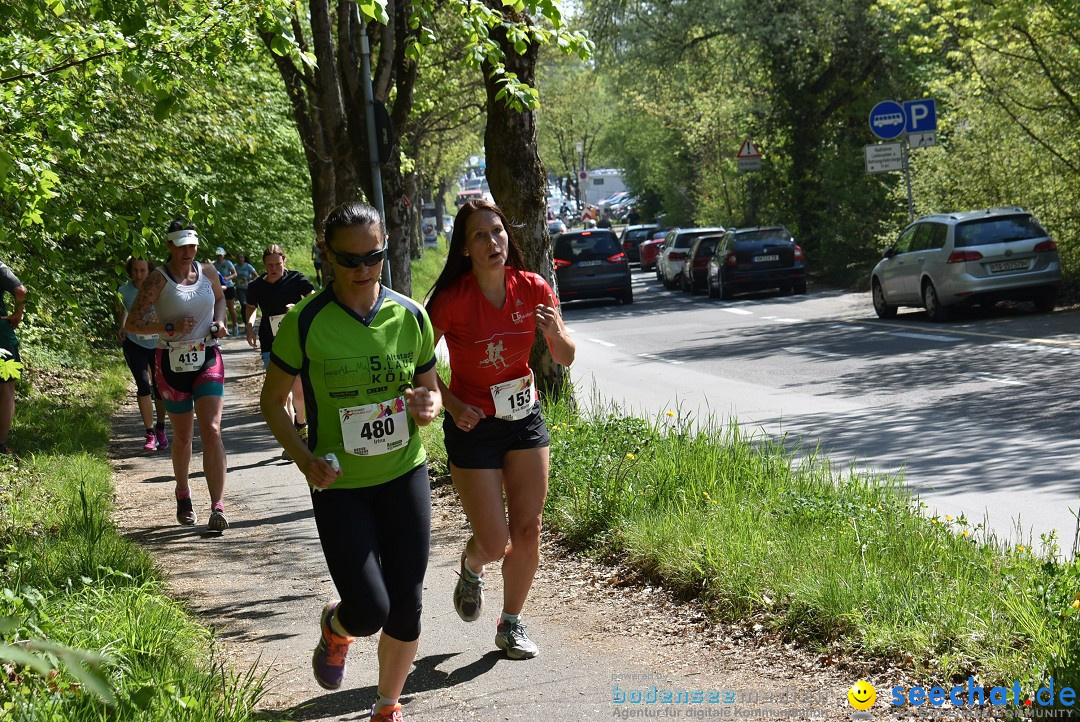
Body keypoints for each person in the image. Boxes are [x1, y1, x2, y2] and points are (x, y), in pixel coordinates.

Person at [260, 201, 440, 722]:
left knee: (407, 603)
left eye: (375, 256)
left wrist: (427, 405)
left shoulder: (409, 315)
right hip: (339, 484)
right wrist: (304, 458)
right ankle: (337, 628)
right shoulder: (305, 321)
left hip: (404, 472)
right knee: (368, 610)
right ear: (327, 257)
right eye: (350, 260)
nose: (364, 270)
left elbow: (427, 392)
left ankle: (387, 705)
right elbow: (271, 402)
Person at [426, 199, 575, 660]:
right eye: (480, 236)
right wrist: (450, 403)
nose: (493, 242)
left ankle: (510, 623)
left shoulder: (532, 287)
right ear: (465, 249)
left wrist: (553, 335)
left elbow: (566, 356)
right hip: (474, 425)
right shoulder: (452, 301)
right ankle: (473, 565)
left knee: (528, 528)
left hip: (524, 416)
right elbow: (418, 362)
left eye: (498, 231)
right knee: (494, 541)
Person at [125, 220, 230, 532]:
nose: (188, 251)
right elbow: (133, 324)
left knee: (211, 429)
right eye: (181, 245)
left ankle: (217, 506)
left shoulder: (208, 271)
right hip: (170, 361)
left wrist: (220, 322)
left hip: (208, 354)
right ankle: (183, 494)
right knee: (183, 436)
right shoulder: (157, 280)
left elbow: (221, 298)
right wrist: (167, 328)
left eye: (192, 245)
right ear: (169, 246)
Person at [244, 245, 315, 458]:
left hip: (295, 342)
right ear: (264, 265)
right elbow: (250, 308)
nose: (274, 268)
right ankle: (291, 441)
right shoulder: (257, 286)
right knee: (282, 396)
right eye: (269, 265)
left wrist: (298, 307)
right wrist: (249, 327)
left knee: (299, 392)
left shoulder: (296, 279)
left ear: (284, 261)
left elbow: (313, 299)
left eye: (277, 264)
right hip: (270, 344)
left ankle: (301, 424)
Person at [116, 257, 169, 452]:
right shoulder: (123, 291)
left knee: (159, 386)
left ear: (149, 271)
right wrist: (122, 327)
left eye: (142, 270)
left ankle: (161, 427)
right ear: (130, 271)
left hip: (157, 344)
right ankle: (149, 433)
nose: (138, 275)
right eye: (135, 270)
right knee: (143, 385)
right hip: (134, 343)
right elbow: (124, 311)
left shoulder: (159, 287)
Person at [0, 259, 27, 457]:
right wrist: (17, 314)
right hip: (2, 337)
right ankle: (0, 446)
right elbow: (20, 291)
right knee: (6, 388)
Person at [213, 247, 239, 335]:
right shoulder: (214, 264)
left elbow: (235, 274)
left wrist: (227, 278)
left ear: (223, 255)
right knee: (222, 308)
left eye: (221, 255)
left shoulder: (228, 263)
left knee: (231, 308)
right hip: (219, 288)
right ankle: (224, 327)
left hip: (229, 287)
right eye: (218, 255)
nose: (219, 257)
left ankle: (235, 325)